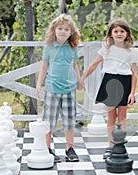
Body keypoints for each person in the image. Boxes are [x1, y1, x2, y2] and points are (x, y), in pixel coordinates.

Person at [81, 18, 138, 159]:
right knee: (111, 116)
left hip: (125, 82)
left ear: (127, 34)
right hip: (110, 82)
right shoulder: (107, 49)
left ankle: (120, 143)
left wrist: (132, 93)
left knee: (122, 116)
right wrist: (82, 78)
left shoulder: (132, 52)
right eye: (116, 31)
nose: (119, 33)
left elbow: (134, 74)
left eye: (122, 31)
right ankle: (111, 144)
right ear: (111, 34)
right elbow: (94, 65)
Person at [36, 13, 82, 163]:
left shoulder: (73, 48)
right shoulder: (49, 48)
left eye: (67, 29)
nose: (63, 31)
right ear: (54, 30)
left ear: (71, 33)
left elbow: (75, 65)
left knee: (69, 121)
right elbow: (44, 67)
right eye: (60, 28)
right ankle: (47, 148)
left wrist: (79, 80)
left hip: (69, 90)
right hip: (52, 89)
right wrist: (38, 84)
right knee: (49, 121)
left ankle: (69, 148)